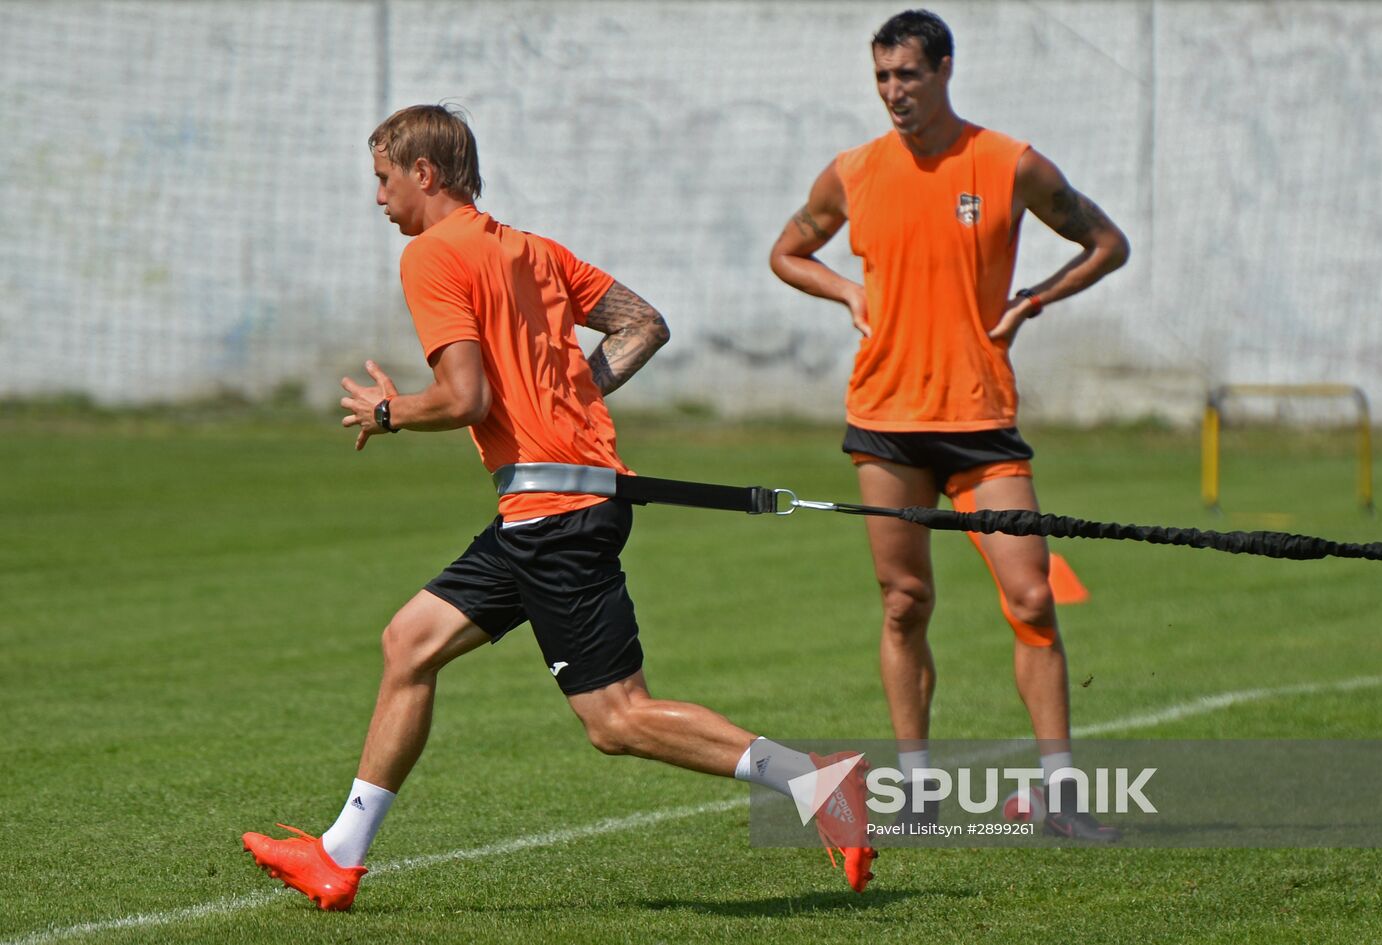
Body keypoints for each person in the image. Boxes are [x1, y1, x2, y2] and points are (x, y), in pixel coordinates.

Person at [241, 105, 874, 910]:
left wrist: (392, 412)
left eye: (383, 179)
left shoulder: (433, 256)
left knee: (616, 719)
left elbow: (465, 396)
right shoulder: (532, 250)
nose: (379, 199)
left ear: (424, 174)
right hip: (554, 502)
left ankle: (819, 783)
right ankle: (338, 854)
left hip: (555, 512)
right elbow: (645, 324)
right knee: (409, 641)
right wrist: (574, 391)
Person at [769, 10, 1130, 839]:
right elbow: (788, 251)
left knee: (1033, 595)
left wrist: (1034, 300)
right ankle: (918, 793)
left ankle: (1061, 799)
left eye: (908, 76)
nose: (894, 93)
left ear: (944, 70)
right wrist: (847, 292)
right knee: (905, 602)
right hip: (885, 421)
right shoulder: (853, 172)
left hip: (981, 421)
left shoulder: (1008, 163)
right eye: (883, 78)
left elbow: (1107, 242)